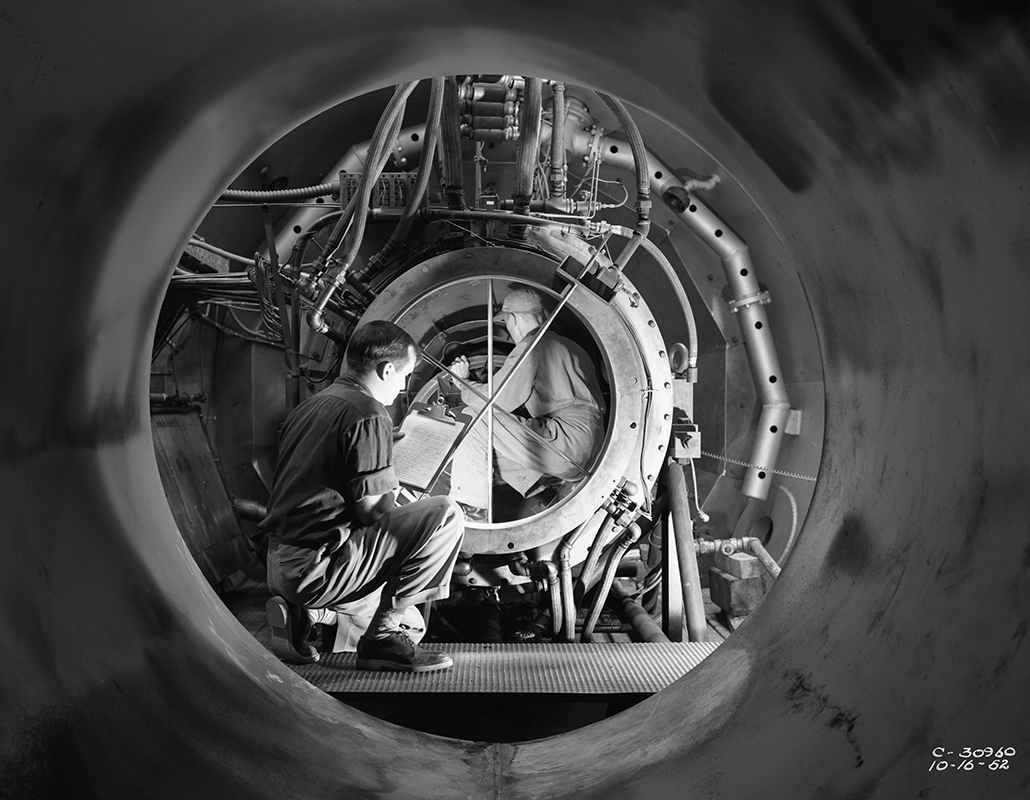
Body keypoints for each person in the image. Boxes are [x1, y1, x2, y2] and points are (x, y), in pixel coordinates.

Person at [260, 320, 464, 672]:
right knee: (445, 514)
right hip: (318, 567)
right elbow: (372, 511)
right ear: (386, 370)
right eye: (405, 377)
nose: (403, 389)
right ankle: (380, 639)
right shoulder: (369, 414)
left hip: (281, 563)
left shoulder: (312, 406)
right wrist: (395, 485)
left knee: (413, 624)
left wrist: (382, 458)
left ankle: (308, 614)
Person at [448, 288, 605, 521]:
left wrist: (464, 382)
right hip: (591, 450)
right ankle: (546, 489)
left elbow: (494, 401)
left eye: (507, 323)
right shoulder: (570, 346)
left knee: (474, 416)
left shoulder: (532, 346)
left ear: (511, 319)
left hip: (564, 442)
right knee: (492, 448)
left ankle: (471, 511)